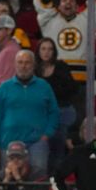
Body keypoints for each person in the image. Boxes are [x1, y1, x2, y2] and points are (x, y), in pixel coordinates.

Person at [0, 50, 59, 174]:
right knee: (9, 180)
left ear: (33, 65)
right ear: (15, 65)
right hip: (9, 143)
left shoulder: (44, 87)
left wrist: (47, 134)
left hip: (37, 143)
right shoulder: (4, 88)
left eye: (27, 62)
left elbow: (54, 112)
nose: (23, 66)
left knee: (38, 180)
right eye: (20, 62)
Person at [35, 37, 78, 166]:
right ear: (38, 51)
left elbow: (71, 89)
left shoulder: (61, 67)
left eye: (50, 49)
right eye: (43, 49)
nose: (46, 52)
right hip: (42, 114)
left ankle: (57, 173)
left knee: (58, 135)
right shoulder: (34, 70)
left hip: (62, 109)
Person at [0, 14, 22, 100]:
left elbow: (5, 82)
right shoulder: (4, 48)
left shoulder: (10, 51)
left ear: (9, 31)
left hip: (5, 102)